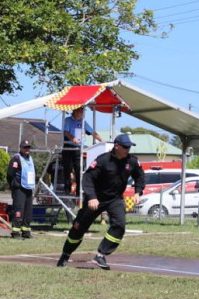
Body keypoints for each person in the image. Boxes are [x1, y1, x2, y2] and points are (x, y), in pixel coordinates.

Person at [56, 134, 144, 270]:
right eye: (125, 147)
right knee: (78, 228)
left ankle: (101, 254)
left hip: (115, 199)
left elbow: (139, 176)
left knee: (119, 225)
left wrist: (138, 192)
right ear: (117, 146)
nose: (128, 149)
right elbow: (88, 178)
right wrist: (91, 197)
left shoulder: (131, 161)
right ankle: (65, 254)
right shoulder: (103, 160)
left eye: (129, 147)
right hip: (96, 198)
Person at [62, 106, 103, 195]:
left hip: (78, 149)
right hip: (68, 147)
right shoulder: (68, 120)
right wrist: (73, 138)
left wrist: (102, 141)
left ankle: (78, 192)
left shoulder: (83, 122)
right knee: (67, 169)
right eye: (81, 111)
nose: (83, 113)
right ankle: (67, 190)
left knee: (79, 169)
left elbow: (93, 132)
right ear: (76, 111)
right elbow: (66, 132)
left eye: (83, 111)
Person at [6, 140, 35, 238]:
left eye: (28, 147)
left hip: (28, 188)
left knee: (28, 211)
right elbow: (10, 174)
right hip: (19, 188)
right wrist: (14, 185)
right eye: (25, 147)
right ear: (21, 148)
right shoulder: (16, 159)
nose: (27, 149)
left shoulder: (30, 158)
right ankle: (15, 232)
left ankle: (26, 231)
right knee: (19, 210)